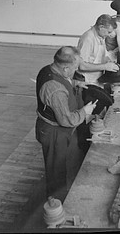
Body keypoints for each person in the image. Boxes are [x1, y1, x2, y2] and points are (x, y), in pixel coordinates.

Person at [35, 46, 98, 198]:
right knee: (56, 171)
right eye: (74, 68)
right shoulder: (55, 88)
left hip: (56, 130)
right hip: (54, 133)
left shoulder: (49, 69)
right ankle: (57, 203)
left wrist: (75, 85)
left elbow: (63, 82)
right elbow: (66, 120)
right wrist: (85, 111)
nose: (76, 71)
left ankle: (59, 196)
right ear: (65, 68)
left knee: (61, 164)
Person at [77, 14, 119, 85]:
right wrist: (105, 66)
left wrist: (109, 61)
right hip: (86, 80)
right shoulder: (88, 39)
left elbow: (102, 56)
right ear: (101, 27)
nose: (109, 35)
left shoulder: (101, 36)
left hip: (96, 78)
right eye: (108, 32)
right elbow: (81, 66)